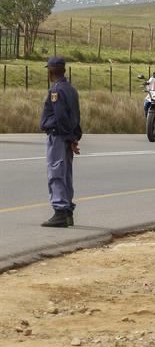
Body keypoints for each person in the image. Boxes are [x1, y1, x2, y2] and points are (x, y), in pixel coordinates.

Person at [39, 57, 82, 228]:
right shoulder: (70, 89)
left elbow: (61, 117)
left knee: (56, 173)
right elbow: (75, 116)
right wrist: (74, 137)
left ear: (50, 71)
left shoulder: (56, 91)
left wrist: (69, 137)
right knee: (65, 173)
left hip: (58, 136)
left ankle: (60, 211)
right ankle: (68, 213)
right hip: (67, 136)